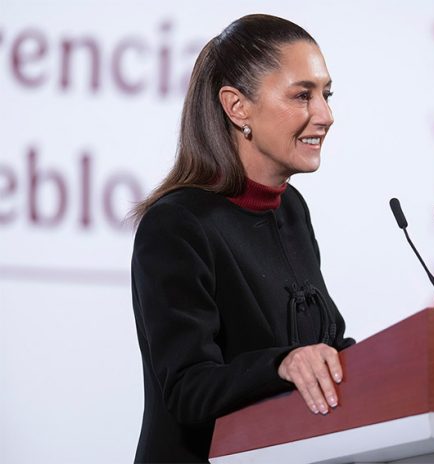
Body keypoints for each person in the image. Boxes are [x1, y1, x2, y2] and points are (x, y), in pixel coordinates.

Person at [129, 14, 354, 463]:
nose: (325, 115)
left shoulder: (291, 210)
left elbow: (322, 343)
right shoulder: (176, 224)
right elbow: (188, 389)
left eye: (325, 95)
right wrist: (282, 366)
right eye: (302, 95)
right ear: (237, 107)